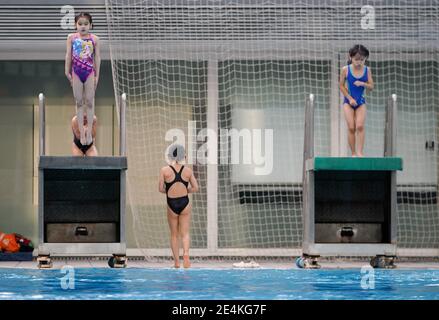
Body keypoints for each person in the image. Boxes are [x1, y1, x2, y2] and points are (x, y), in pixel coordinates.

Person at [158, 144, 199, 268]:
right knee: (185, 233)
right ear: (183, 156)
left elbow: (160, 189)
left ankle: (176, 262)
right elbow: (196, 188)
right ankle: (186, 254)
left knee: (174, 234)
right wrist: (185, 191)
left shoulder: (164, 170)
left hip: (172, 203)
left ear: (170, 155)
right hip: (184, 202)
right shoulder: (188, 171)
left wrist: (170, 191)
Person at [65, 12, 101, 146]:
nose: (83, 27)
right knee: (79, 102)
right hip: (76, 72)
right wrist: (66, 71)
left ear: (91, 25)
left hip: (89, 72)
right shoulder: (71, 38)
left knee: (90, 102)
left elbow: (97, 57)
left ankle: (89, 132)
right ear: (75, 25)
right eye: (80, 24)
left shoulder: (95, 39)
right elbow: (68, 55)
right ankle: (81, 132)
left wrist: (97, 74)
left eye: (86, 24)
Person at [339, 44, 374, 157]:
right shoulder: (345, 70)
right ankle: (353, 152)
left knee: (360, 126)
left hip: (360, 102)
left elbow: (371, 86)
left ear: (365, 59)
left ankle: (360, 152)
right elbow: (341, 86)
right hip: (348, 102)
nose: (359, 62)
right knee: (351, 127)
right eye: (356, 59)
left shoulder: (367, 70)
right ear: (350, 57)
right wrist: (349, 98)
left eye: (362, 60)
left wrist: (363, 83)